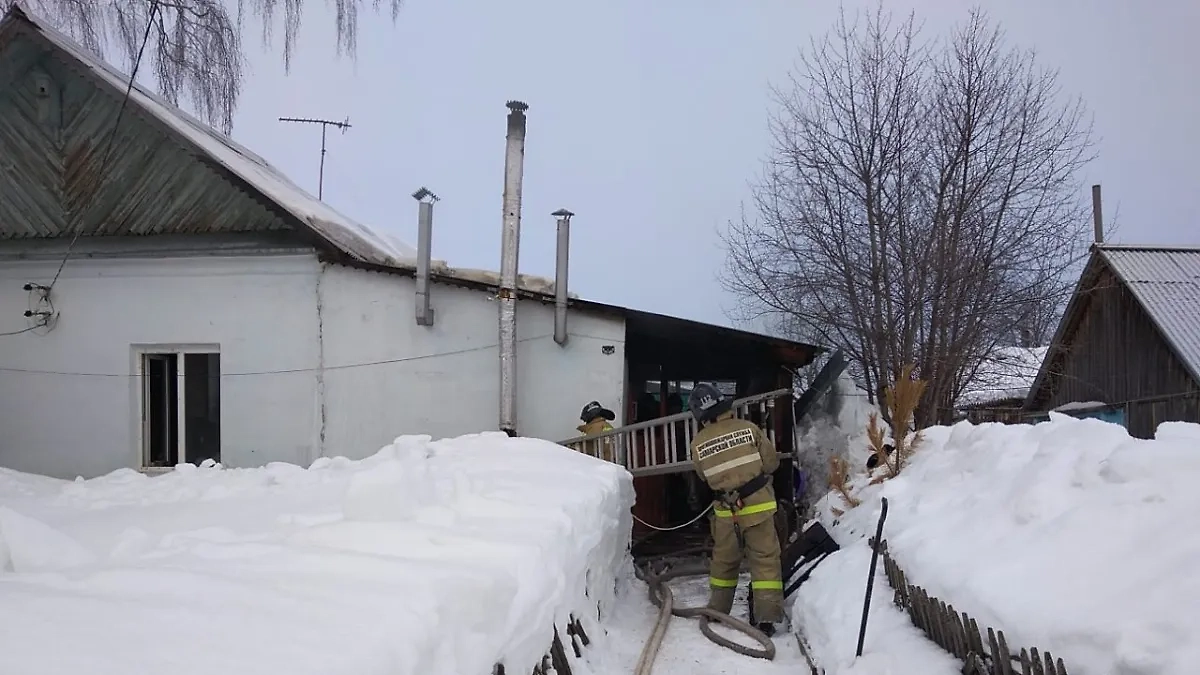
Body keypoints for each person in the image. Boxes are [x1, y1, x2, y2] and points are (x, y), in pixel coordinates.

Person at [688, 382, 783, 636]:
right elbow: (772, 463)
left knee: (724, 564)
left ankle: (718, 611)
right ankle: (766, 620)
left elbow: (703, 477)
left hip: (726, 513)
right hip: (760, 506)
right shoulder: (749, 429)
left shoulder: (697, 444)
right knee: (765, 562)